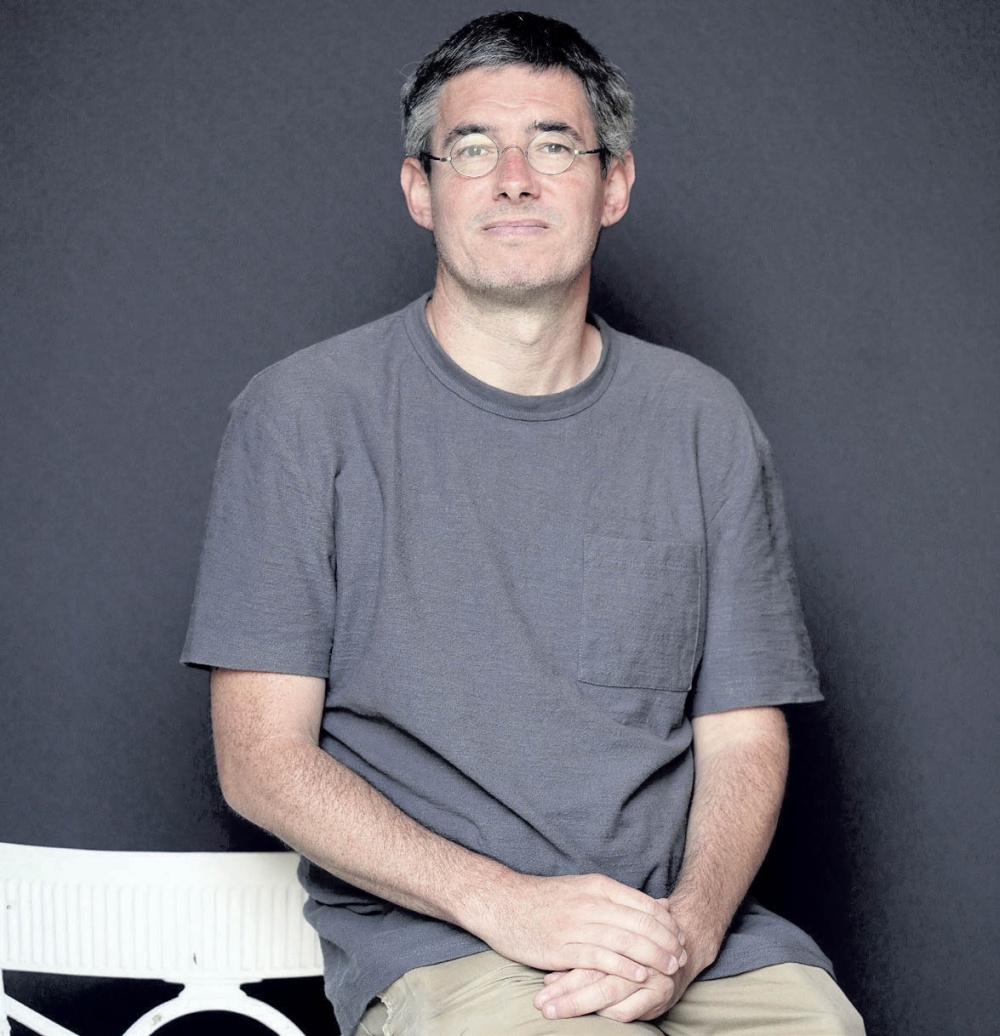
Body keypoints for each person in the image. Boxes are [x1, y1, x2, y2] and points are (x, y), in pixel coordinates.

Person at [183, 11, 865, 1036]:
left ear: (613, 185)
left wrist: (688, 928)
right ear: (420, 190)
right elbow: (260, 761)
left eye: (553, 146)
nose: (513, 179)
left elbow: (742, 735)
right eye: (472, 148)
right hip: (450, 939)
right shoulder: (301, 416)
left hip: (682, 935)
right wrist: (504, 902)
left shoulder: (702, 418)